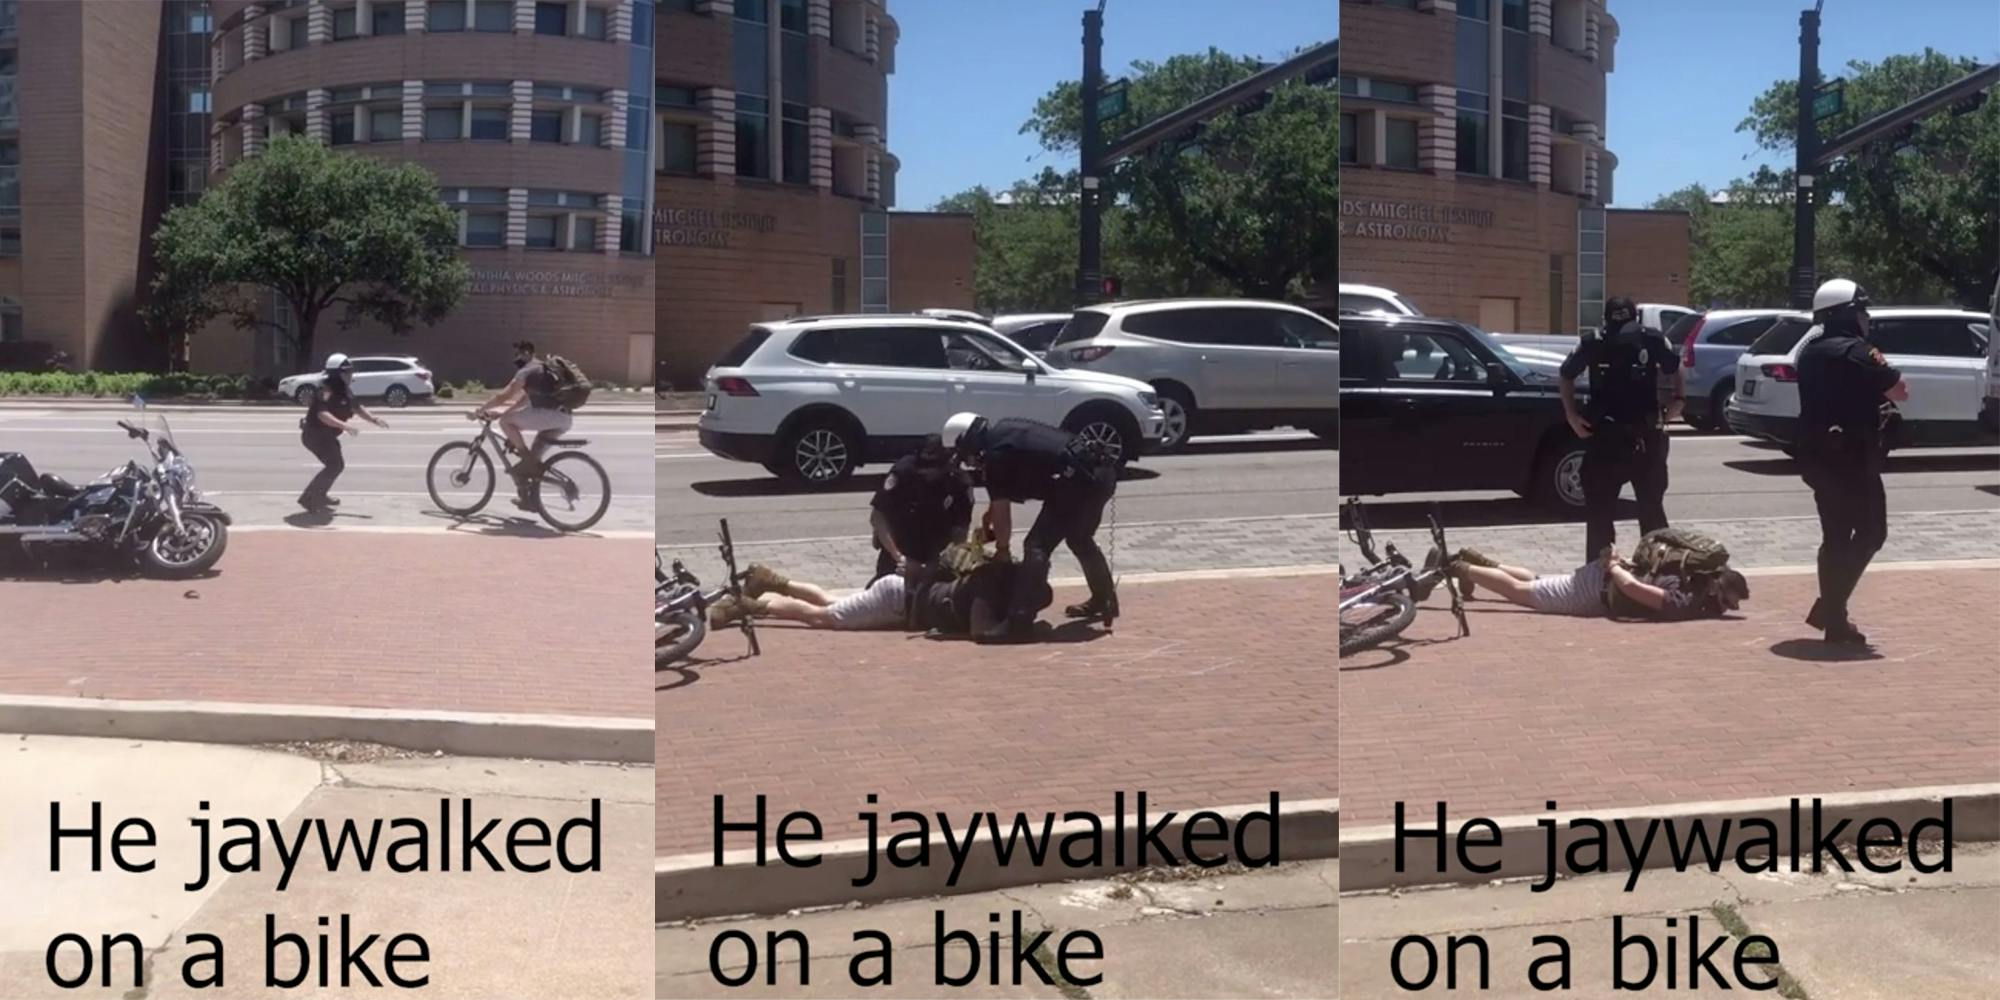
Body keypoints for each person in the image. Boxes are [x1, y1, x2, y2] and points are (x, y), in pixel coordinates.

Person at [1793, 278, 1907, 645]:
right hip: (1854, 458)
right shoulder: (1859, 351)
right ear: (1846, 314)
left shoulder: (1808, 351)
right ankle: (1830, 607)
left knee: (1835, 537)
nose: (1866, 317)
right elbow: (1899, 391)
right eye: (1861, 310)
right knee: (1873, 532)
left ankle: (1835, 621)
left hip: (1816, 458)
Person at [944, 412, 1119, 640]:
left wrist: (1003, 550)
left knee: (1036, 545)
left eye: (965, 455)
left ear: (970, 442)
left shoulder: (995, 456)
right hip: (1101, 474)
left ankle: (1019, 621)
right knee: (1079, 539)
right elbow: (1001, 500)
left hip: (1078, 483)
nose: (968, 462)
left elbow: (1003, 514)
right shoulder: (1005, 432)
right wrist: (990, 516)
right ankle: (1105, 600)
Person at [1559, 296, 1684, 563]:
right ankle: (1600, 577)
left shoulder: (1650, 339)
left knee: (1651, 513)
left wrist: (1679, 400)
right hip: (1605, 438)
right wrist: (1571, 416)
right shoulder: (1594, 342)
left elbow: (1675, 365)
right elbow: (1566, 374)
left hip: (1644, 437)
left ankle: (1656, 574)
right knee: (1600, 515)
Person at [708, 559, 1048, 639]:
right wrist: (1019, 630)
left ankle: (768, 579)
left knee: (830, 601)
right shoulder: (989, 590)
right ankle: (750, 605)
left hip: (900, 590)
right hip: (898, 601)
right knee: (822, 618)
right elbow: (980, 631)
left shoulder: (994, 571)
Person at [1445, 545, 1748, 620]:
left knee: (1538, 581)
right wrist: (1614, 567)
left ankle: (1476, 559)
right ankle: (1455, 566)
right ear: (1714, 588)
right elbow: (1634, 590)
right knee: (1523, 594)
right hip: (1599, 588)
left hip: (1601, 577)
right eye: (1725, 601)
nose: (1724, 608)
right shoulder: (1686, 600)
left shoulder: (1697, 570)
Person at [475, 340, 573, 508]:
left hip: (551, 416)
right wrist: (503, 412)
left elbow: (503, 396)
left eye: (518, 354)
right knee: (532, 462)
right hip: (563, 419)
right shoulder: (542, 369)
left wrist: (479, 410)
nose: (516, 359)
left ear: (527, 353)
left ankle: (526, 461)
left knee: (507, 424)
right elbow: (524, 400)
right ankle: (529, 499)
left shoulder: (527, 370)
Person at [868, 434, 973, 583]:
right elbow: (877, 516)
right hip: (899, 548)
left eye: (932, 468)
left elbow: (959, 534)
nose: (927, 473)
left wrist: (933, 568)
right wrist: (899, 557)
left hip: (938, 551)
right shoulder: (903, 472)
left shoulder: (958, 483)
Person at [298, 353, 387, 513]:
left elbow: (357, 408)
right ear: (338, 374)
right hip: (315, 435)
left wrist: (373, 419)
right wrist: (344, 426)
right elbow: (321, 414)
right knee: (335, 465)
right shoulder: (325, 389)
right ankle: (309, 498)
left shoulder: (345, 390)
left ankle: (320, 494)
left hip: (326, 436)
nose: (351, 374)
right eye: (348, 371)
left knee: (335, 465)